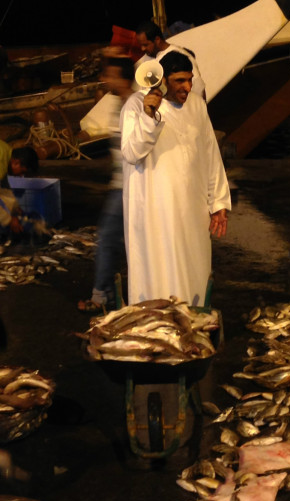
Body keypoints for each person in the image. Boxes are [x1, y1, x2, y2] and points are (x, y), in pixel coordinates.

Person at [121, 51, 231, 307]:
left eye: (190, 80)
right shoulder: (136, 106)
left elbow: (210, 154)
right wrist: (149, 115)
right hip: (154, 212)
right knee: (158, 269)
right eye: (180, 81)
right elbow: (132, 153)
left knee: (194, 266)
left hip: (192, 209)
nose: (187, 87)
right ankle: (157, 320)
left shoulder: (197, 105)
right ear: (162, 80)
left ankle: (193, 319)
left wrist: (218, 202)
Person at [78, 53, 135, 313]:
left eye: (110, 75)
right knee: (114, 240)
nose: (105, 79)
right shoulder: (119, 104)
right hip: (120, 185)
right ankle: (110, 292)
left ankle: (102, 295)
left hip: (127, 188)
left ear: (123, 79)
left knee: (108, 239)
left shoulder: (134, 106)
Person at [135, 20, 206, 100]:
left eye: (145, 45)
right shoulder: (147, 58)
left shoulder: (180, 55)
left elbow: (198, 87)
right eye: (141, 45)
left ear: (157, 40)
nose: (143, 49)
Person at [0, 140, 38, 237]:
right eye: (22, 172)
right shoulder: (1, 162)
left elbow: (4, 186)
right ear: (16, 163)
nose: (21, 176)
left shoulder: (7, 151)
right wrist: (10, 219)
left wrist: (14, 208)